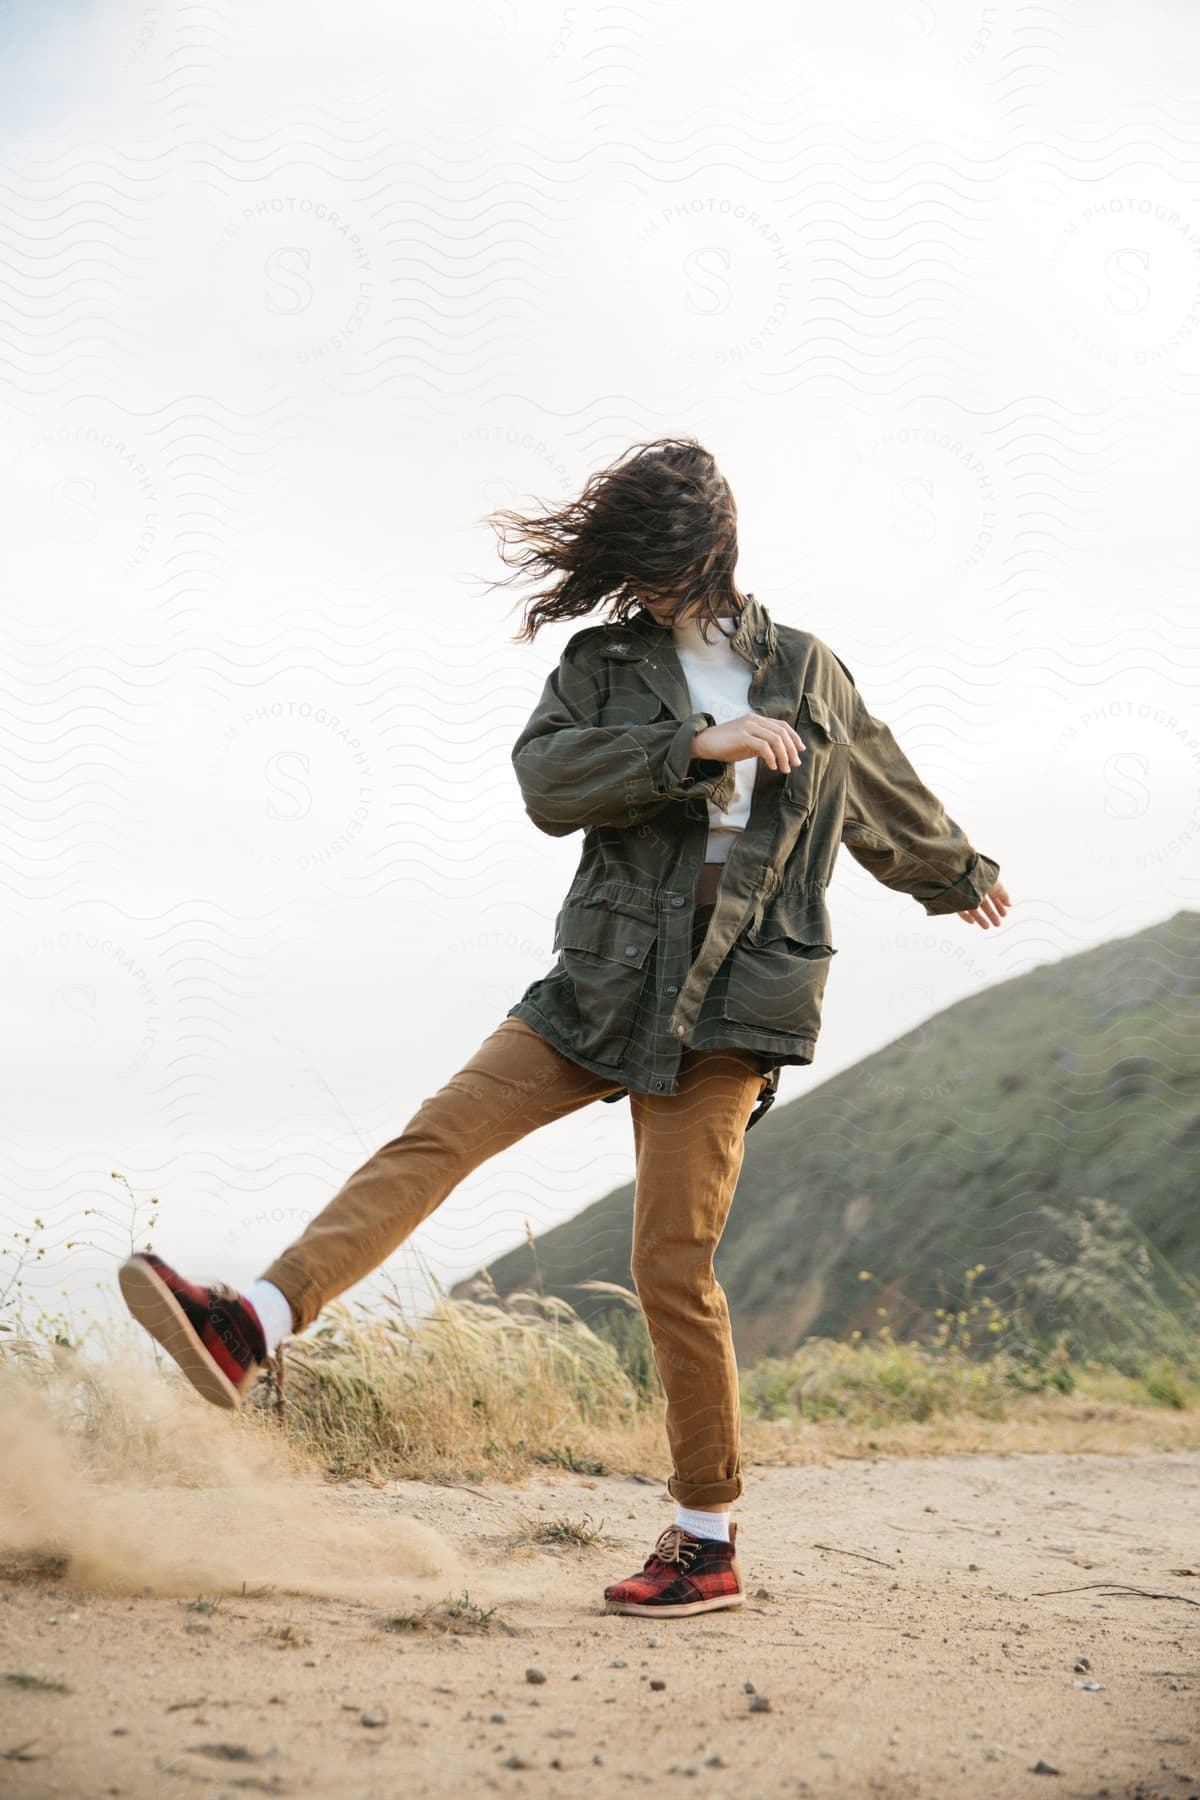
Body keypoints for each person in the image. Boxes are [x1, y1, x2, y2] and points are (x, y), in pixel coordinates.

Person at [118, 436, 1010, 1619]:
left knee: (671, 1265)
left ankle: (706, 1540)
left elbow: (881, 789)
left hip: (733, 1008)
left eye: (663, 561)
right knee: (436, 1137)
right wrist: (694, 746)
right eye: (631, 564)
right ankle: (251, 1325)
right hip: (597, 986)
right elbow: (547, 783)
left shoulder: (810, 671)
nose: (645, 585)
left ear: (713, 548)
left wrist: (955, 873)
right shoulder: (604, 667)